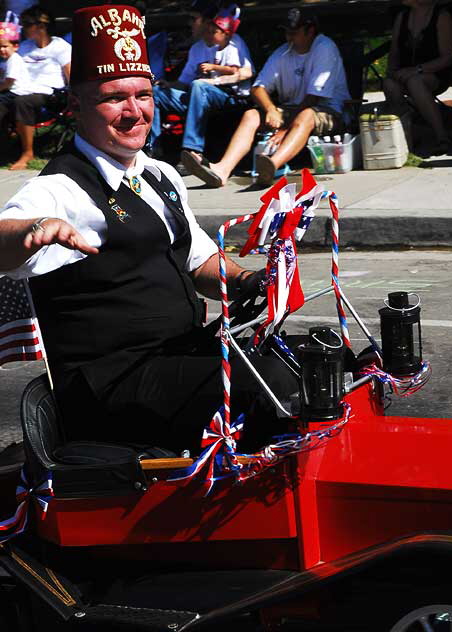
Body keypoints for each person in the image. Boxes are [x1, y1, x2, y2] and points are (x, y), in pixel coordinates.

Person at [0, 4, 297, 454]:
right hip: (112, 384)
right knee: (268, 385)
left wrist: (247, 281)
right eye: (115, 97)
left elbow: (196, 257)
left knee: (308, 356)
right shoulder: (61, 187)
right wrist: (32, 231)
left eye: (143, 95)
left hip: (177, 357)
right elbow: (3, 239)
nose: (134, 111)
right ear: (77, 105)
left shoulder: (160, 173)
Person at [188, 7, 350, 188]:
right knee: (251, 115)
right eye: (286, 31)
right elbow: (258, 88)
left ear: (310, 30)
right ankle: (222, 170)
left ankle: (272, 165)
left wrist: (285, 129)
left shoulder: (324, 47)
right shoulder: (283, 52)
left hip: (328, 110)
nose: (289, 37)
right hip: (292, 109)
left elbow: (314, 98)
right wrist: (271, 109)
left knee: (306, 116)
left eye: (294, 32)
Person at [149, 4, 253, 163]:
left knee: (198, 85)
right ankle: (152, 149)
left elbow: (246, 72)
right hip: (198, 95)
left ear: (210, 22)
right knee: (156, 93)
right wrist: (167, 85)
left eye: (194, 19)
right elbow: (183, 83)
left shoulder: (234, 43)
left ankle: (193, 151)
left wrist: (213, 81)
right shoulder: (196, 48)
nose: (190, 24)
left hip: (228, 96)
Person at [382, 0, 452, 154]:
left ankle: (442, 136)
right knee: (390, 84)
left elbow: (447, 57)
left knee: (415, 82)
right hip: (406, 73)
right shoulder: (402, 16)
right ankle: (407, 135)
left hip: (435, 72)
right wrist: (391, 71)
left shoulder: (441, 16)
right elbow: (394, 49)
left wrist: (418, 70)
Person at [9, 6, 71, 170]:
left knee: (23, 102)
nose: (23, 28)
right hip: (21, 89)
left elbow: (71, 76)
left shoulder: (60, 47)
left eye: (27, 24)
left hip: (50, 93)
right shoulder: (25, 46)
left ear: (41, 26)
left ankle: (27, 152)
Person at [0, 17, 32, 128]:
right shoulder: (5, 60)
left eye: (5, 46)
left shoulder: (14, 60)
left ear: (15, 46)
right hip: (9, 91)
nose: (1, 50)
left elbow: (9, 81)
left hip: (17, 92)